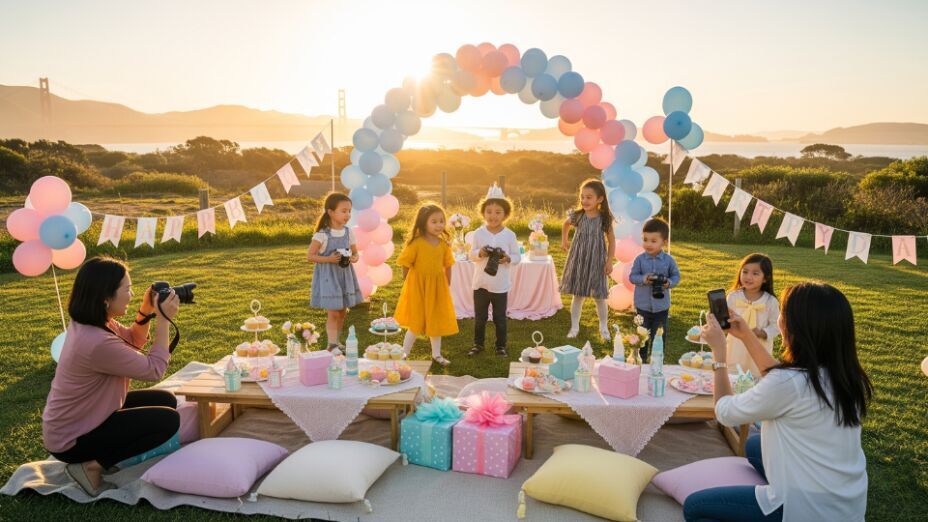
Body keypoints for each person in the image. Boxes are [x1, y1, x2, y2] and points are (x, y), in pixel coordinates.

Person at [688, 282, 871, 522]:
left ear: (797, 328)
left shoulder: (788, 383)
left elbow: (724, 412)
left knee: (695, 507)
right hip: (846, 502)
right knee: (754, 445)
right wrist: (744, 335)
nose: (780, 319)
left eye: (783, 313)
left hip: (804, 509)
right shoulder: (846, 375)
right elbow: (781, 379)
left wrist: (719, 355)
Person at [42, 256, 181, 496]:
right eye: (126, 289)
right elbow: (155, 369)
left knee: (166, 400)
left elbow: (134, 340)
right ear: (106, 298)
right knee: (168, 421)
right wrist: (163, 319)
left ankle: (101, 456)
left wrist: (146, 311)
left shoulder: (95, 323)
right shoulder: (96, 342)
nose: (131, 294)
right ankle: (91, 467)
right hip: (73, 438)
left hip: (84, 416)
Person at [394, 203, 458, 366]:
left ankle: (436, 355)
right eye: (434, 221)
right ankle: (404, 353)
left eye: (441, 221)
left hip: (437, 287)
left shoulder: (444, 245)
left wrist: (447, 283)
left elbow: (448, 264)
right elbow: (406, 263)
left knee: (435, 320)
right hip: (418, 287)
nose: (439, 225)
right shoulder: (416, 243)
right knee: (416, 321)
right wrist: (409, 282)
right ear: (424, 223)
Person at [468, 184, 520, 357]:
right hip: (481, 283)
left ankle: (500, 346)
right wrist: (480, 253)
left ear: (505, 214)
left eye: (498, 212)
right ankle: (478, 344)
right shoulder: (478, 233)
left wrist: (508, 258)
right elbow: (471, 254)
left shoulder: (510, 235)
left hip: (500, 284)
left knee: (500, 318)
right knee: (480, 318)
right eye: (489, 211)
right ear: (483, 213)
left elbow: (517, 256)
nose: (493, 216)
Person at [560, 179, 615, 341]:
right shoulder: (578, 216)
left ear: (600, 199)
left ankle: (603, 327)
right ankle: (574, 327)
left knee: (599, 295)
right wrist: (564, 240)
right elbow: (565, 224)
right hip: (579, 258)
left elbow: (612, 241)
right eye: (582, 197)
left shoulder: (604, 219)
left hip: (597, 259)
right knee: (578, 294)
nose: (584, 200)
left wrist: (609, 261)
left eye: (589, 197)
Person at [307, 192, 363, 350]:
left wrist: (355, 257)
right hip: (329, 278)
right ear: (331, 212)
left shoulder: (348, 232)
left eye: (349, 211)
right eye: (344, 211)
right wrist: (329, 259)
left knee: (342, 312)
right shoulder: (322, 235)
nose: (348, 215)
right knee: (333, 313)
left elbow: (355, 252)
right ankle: (331, 345)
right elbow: (310, 256)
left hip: (345, 276)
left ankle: (337, 341)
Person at [629, 217, 680, 362]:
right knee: (642, 335)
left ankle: (657, 360)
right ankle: (641, 359)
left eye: (653, 241)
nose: (648, 244)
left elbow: (676, 276)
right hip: (643, 306)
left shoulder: (669, 260)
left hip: (661, 307)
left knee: (659, 336)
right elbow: (632, 277)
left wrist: (668, 282)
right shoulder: (639, 259)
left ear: (664, 242)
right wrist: (644, 279)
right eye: (645, 239)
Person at [726, 253, 780, 376]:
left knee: (755, 377)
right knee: (733, 375)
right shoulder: (733, 297)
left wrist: (761, 332)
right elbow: (725, 319)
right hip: (735, 347)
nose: (748, 277)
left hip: (759, 348)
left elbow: (776, 326)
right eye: (745, 272)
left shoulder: (770, 301)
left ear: (765, 278)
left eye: (755, 273)